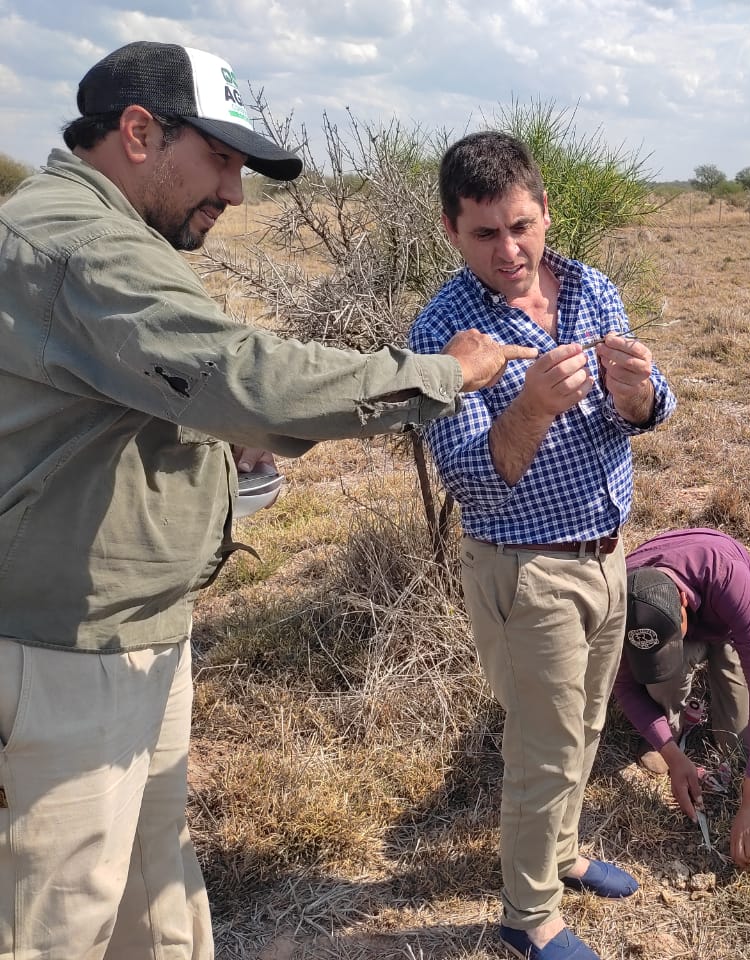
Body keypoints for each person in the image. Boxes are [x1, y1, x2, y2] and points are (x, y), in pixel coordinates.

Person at [0, 40, 529, 960]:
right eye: (223, 159)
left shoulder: (104, 234)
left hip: (134, 629)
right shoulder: (79, 244)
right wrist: (444, 374)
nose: (236, 193)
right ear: (138, 132)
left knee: (153, 884)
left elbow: (158, 396)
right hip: (65, 652)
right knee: (56, 915)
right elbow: (247, 375)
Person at [408, 131, 676, 960]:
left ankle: (559, 856)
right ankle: (527, 918)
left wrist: (642, 397)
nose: (510, 249)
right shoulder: (446, 331)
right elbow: (472, 481)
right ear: (451, 232)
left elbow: (648, 410)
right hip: (526, 570)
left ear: (547, 211)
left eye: (522, 225)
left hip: (607, 554)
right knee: (541, 746)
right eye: (485, 234)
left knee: (586, 724)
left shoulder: (593, 290)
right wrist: (528, 408)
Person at [614, 528, 750, 869]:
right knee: (663, 678)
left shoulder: (724, 574)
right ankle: (673, 718)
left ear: (681, 601)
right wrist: (671, 751)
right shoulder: (619, 602)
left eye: (668, 642)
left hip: (727, 622)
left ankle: (708, 654)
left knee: (738, 743)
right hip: (688, 619)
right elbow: (624, 686)